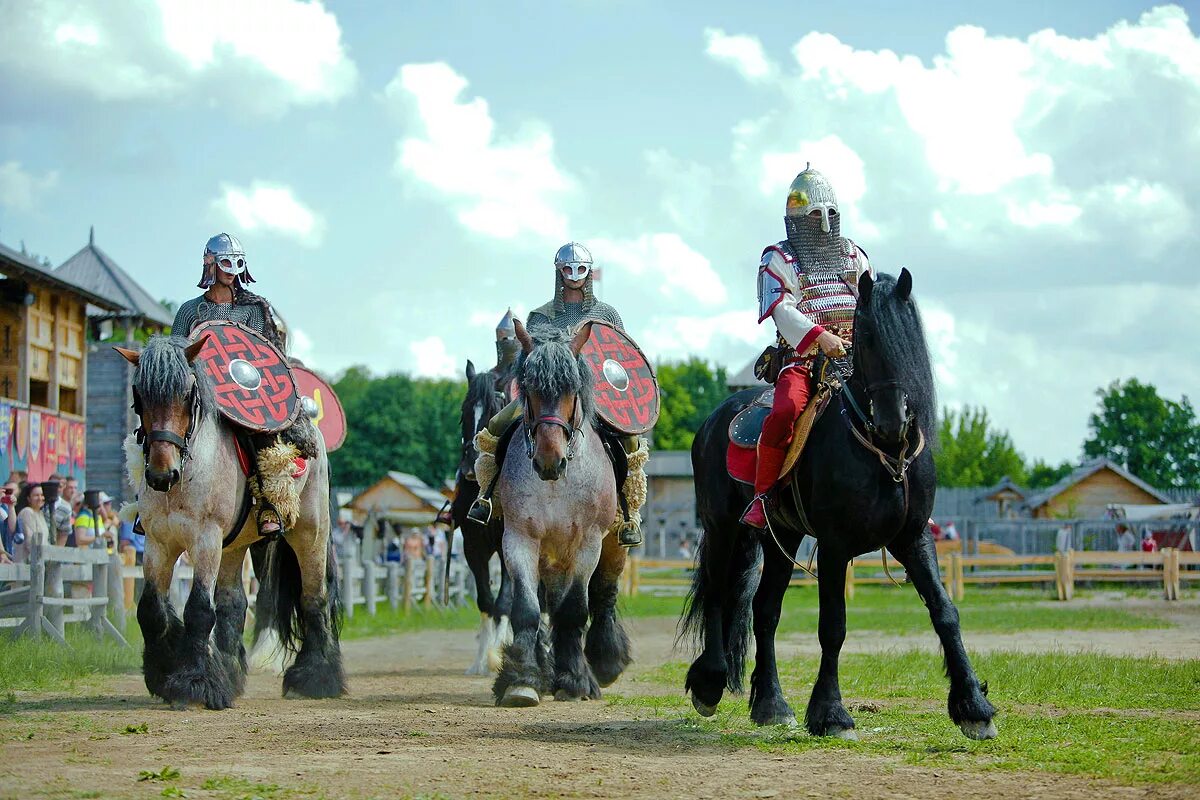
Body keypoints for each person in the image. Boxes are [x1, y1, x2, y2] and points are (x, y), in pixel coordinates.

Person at [466, 242, 648, 547]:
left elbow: (620, 358)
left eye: (580, 270)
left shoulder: (606, 314)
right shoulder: (540, 316)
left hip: (596, 394)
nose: (573, 275)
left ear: (588, 273)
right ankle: (487, 497)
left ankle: (628, 513)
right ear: (558, 272)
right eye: (567, 269)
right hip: (551, 394)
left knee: (630, 443)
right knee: (497, 426)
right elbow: (529, 360)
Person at [742, 164, 874, 529]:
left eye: (830, 213)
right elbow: (781, 310)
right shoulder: (779, 258)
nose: (825, 222)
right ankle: (764, 495)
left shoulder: (855, 256)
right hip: (803, 361)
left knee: (896, 405)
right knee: (784, 410)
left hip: (854, 360)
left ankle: (911, 501)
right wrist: (821, 337)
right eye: (815, 214)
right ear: (797, 218)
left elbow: (871, 304)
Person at [170, 233, 320, 535]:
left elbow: (260, 356)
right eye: (226, 263)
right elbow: (177, 356)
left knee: (261, 438)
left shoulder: (253, 309)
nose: (233, 270)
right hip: (201, 393)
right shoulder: (189, 311)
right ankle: (154, 507)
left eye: (239, 263)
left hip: (242, 395)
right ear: (210, 264)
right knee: (160, 428)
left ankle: (269, 503)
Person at [12, 483, 50, 563]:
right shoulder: (27, 512)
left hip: (40, 562)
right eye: (36, 495)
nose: (40, 498)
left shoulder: (40, 514)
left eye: (42, 495)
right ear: (28, 498)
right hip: (26, 565)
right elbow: (31, 542)